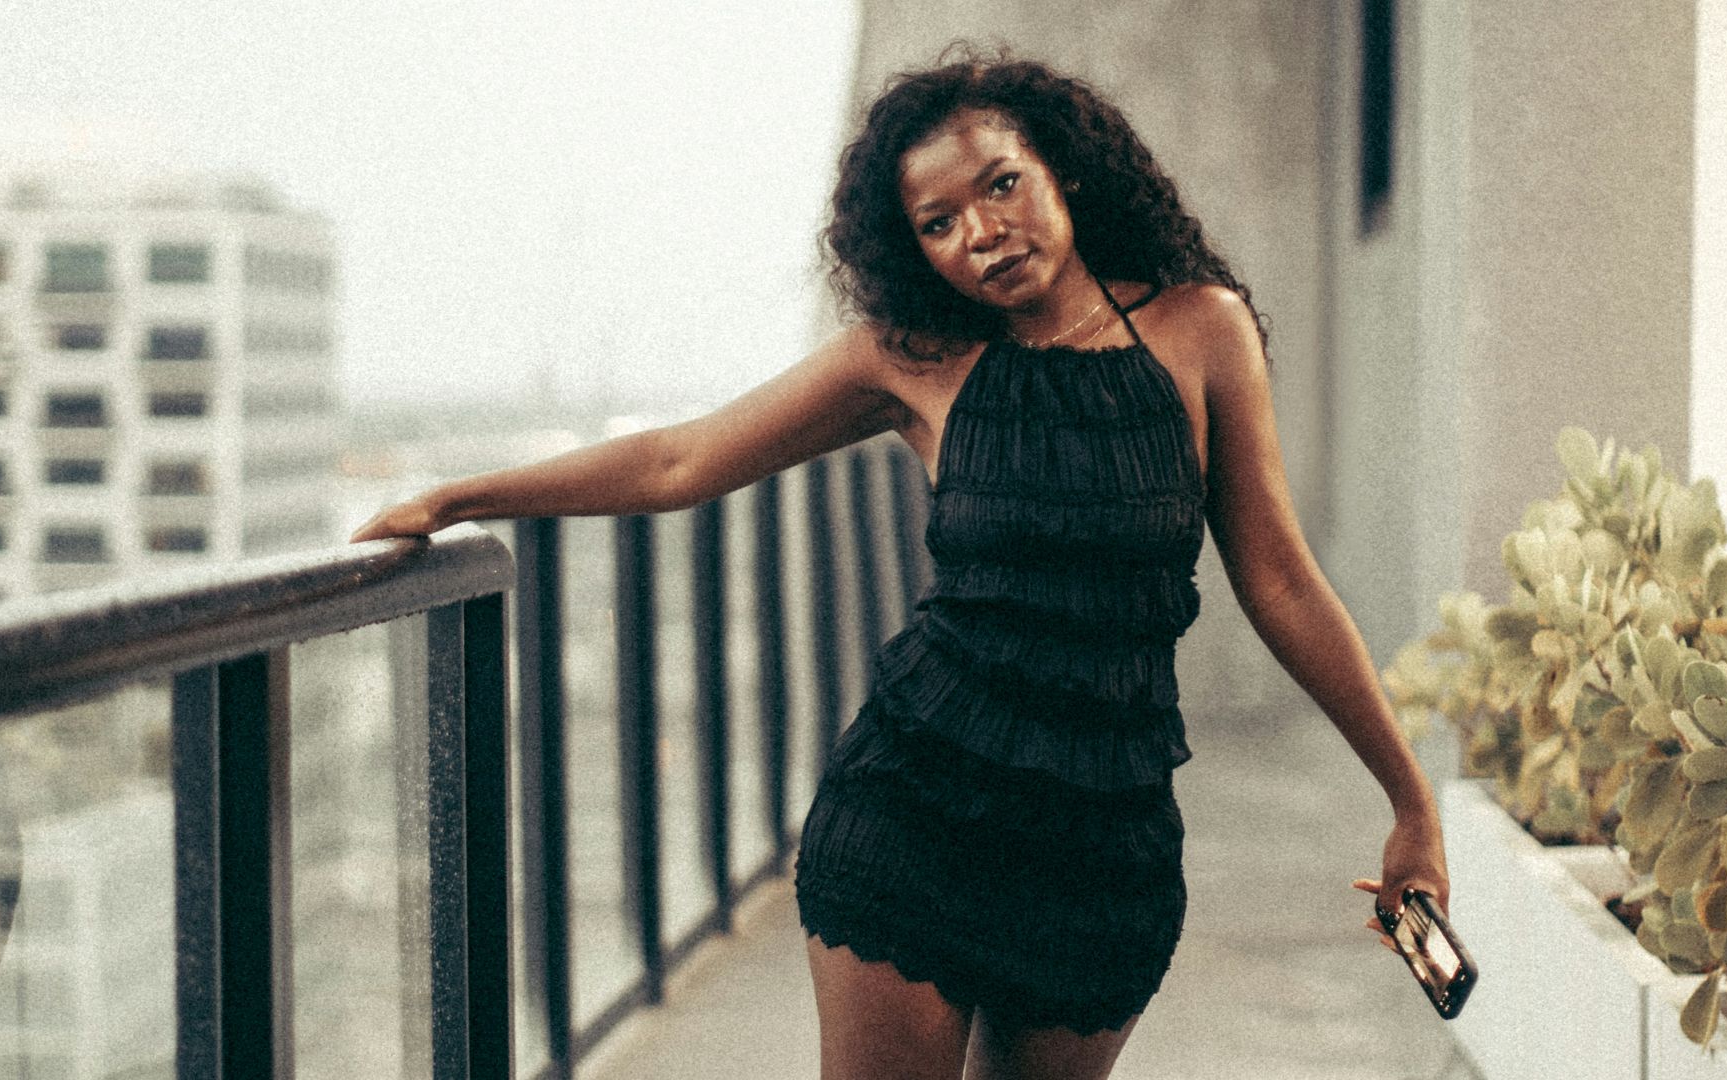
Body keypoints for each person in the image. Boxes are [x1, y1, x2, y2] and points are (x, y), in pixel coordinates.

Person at [351, 45, 1451, 1080]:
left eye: (1001, 186)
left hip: (1105, 842)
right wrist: (461, 494)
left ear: (1060, 170)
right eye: (939, 221)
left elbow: (1282, 582)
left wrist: (1410, 801)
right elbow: (682, 457)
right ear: (915, 247)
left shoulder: (1202, 331)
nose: (982, 232)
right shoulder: (914, 359)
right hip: (918, 807)